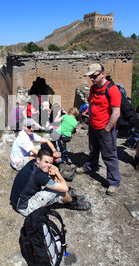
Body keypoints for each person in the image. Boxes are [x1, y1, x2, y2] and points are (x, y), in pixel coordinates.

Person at [78, 63, 122, 196]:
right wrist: (90, 121)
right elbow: (91, 104)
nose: (92, 79)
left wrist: (107, 128)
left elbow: (116, 112)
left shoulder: (113, 89)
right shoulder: (93, 88)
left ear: (102, 73)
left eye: (94, 76)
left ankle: (114, 182)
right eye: (90, 76)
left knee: (109, 155)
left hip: (105, 128)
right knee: (93, 149)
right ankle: (90, 166)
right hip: (93, 126)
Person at [10, 148, 91, 216]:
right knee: (58, 190)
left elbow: (49, 170)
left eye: (50, 163)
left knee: (53, 181)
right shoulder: (38, 175)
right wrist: (57, 173)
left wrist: (53, 171)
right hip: (25, 207)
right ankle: (73, 203)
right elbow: (64, 188)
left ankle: (69, 197)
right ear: (38, 160)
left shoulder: (33, 163)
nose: (49, 165)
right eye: (46, 162)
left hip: (18, 200)